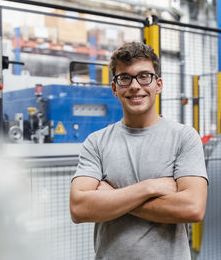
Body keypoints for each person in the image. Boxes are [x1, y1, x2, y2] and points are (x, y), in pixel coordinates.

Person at [70, 41, 208, 260]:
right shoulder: (96, 142)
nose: (135, 85)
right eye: (124, 78)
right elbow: (79, 209)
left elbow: (192, 208)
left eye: (144, 76)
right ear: (114, 88)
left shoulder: (184, 137)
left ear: (158, 84)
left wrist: (112, 197)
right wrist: (151, 187)